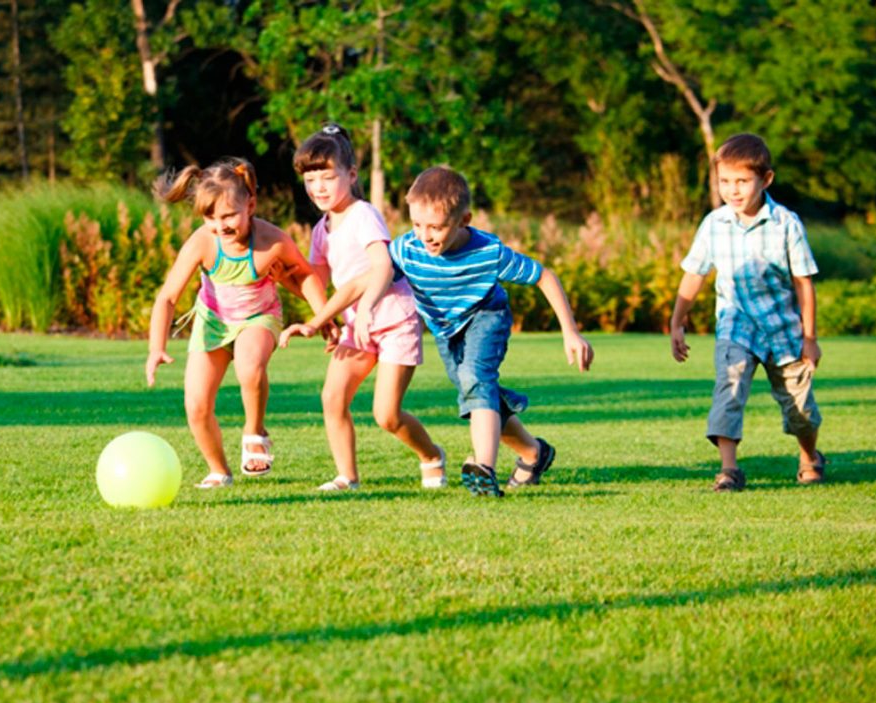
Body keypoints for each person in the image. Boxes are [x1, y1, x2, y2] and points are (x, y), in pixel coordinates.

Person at [286, 165, 593, 497]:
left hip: (486, 316)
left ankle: (484, 469)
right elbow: (361, 282)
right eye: (417, 224)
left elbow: (544, 276)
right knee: (476, 393)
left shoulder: (488, 252)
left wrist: (570, 332)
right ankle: (534, 453)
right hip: (447, 330)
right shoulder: (409, 249)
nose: (425, 235)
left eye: (436, 227)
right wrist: (318, 321)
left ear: (464, 220)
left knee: (476, 378)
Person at [278, 124, 446, 491]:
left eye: (327, 176)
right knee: (332, 396)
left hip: (393, 319)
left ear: (351, 175)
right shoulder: (321, 229)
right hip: (358, 325)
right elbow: (316, 283)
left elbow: (382, 266)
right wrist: (282, 280)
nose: (318, 187)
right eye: (310, 179)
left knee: (386, 415)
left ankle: (431, 455)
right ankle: (347, 477)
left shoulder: (363, 214)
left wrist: (365, 307)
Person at [146, 158, 329, 489]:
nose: (221, 226)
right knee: (196, 406)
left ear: (251, 204)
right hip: (213, 322)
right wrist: (156, 347)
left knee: (249, 367)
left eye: (229, 215)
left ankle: (254, 431)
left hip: (259, 318)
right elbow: (168, 298)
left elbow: (305, 278)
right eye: (210, 217)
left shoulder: (271, 241)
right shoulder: (204, 242)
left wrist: (324, 318)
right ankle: (219, 470)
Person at [670, 133, 824, 492]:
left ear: (765, 179)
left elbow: (804, 283)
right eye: (725, 181)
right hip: (735, 325)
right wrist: (678, 321)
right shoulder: (714, 224)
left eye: (742, 181)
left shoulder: (786, 223)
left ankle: (809, 456)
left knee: (799, 409)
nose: (733, 190)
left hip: (783, 329)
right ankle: (729, 470)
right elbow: (695, 274)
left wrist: (810, 338)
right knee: (730, 386)